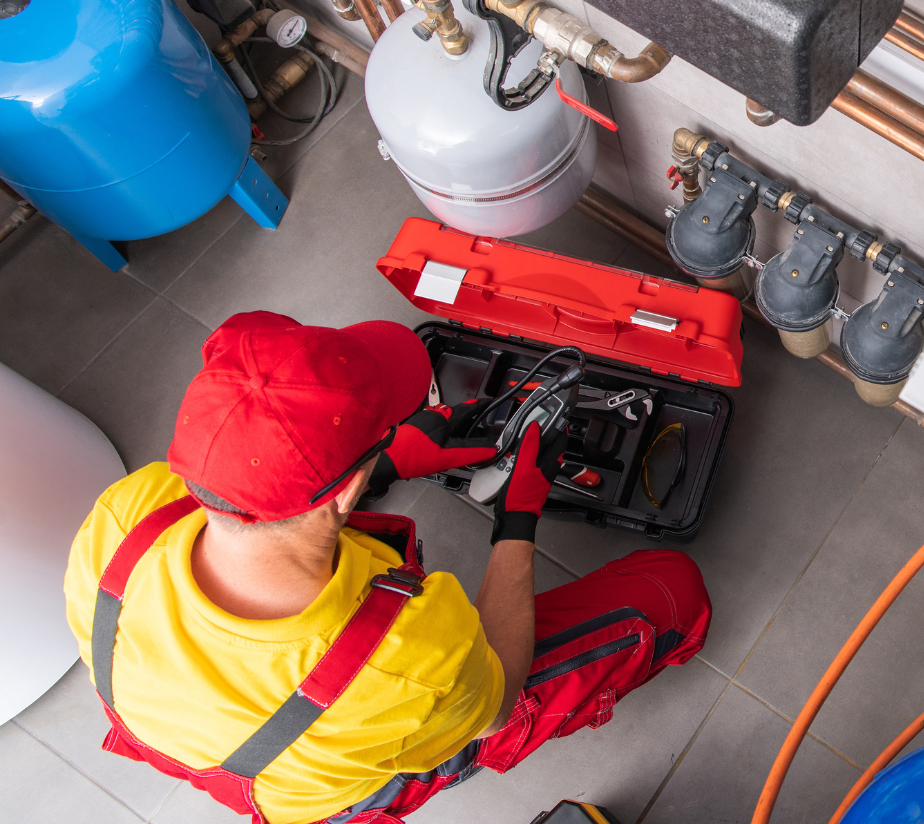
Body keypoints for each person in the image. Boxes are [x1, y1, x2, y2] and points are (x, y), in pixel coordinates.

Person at [63, 311, 711, 824]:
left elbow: (262, 499)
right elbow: (497, 699)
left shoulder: (127, 514)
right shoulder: (404, 649)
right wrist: (518, 522)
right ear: (345, 492)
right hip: (337, 794)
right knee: (672, 593)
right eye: (380, 439)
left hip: (205, 739)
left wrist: (393, 460)